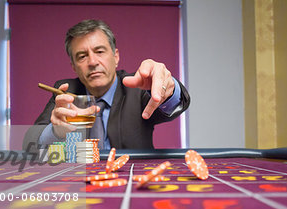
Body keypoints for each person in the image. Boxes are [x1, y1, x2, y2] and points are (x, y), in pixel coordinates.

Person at [23, 19, 190, 152]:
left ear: (115, 57)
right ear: (73, 66)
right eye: (82, 56)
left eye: (100, 51)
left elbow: (175, 104)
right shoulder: (65, 92)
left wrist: (169, 89)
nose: (93, 62)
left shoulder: (137, 87)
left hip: (132, 181)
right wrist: (55, 131)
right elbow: (30, 141)